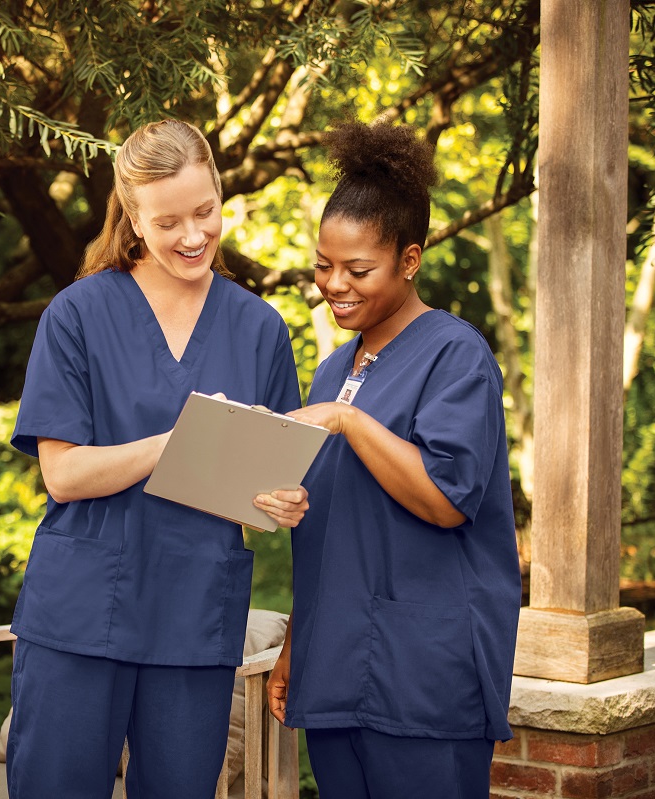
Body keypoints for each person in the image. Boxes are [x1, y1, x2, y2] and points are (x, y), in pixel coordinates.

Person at [6, 119, 309, 799]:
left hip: (193, 615)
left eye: (206, 211)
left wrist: (280, 503)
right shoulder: (77, 314)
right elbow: (63, 474)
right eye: (169, 221)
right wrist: (172, 444)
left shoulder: (260, 328)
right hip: (81, 614)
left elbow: (268, 488)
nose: (194, 235)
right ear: (133, 218)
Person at [255, 120, 522, 799]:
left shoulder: (456, 356)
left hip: (423, 677)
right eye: (322, 264)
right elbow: (327, 533)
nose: (333, 284)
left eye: (358, 269)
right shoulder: (331, 371)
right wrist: (295, 645)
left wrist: (348, 420)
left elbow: (444, 498)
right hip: (337, 666)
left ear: (409, 259)